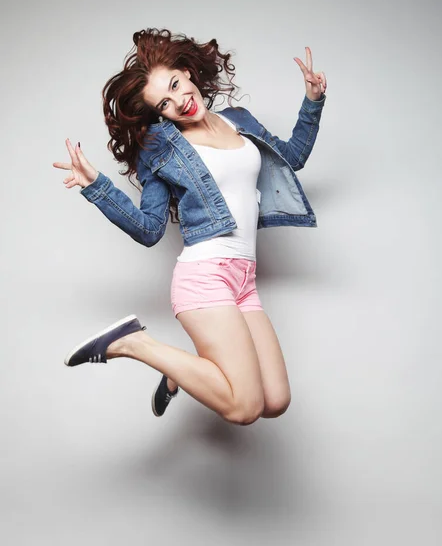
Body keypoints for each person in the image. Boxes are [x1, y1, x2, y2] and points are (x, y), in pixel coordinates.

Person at [53, 28, 327, 425]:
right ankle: (134, 343)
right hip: (205, 277)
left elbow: (291, 158)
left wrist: (313, 101)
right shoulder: (160, 148)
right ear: (159, 113)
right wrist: (96, 186)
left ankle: (180, 370)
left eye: (177, 85)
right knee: (243, 408)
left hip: (244, 279)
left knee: (275, 401)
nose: (179, 101)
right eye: (164, 102)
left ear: (188, 72)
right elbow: (149, 229)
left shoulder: (238, 121)